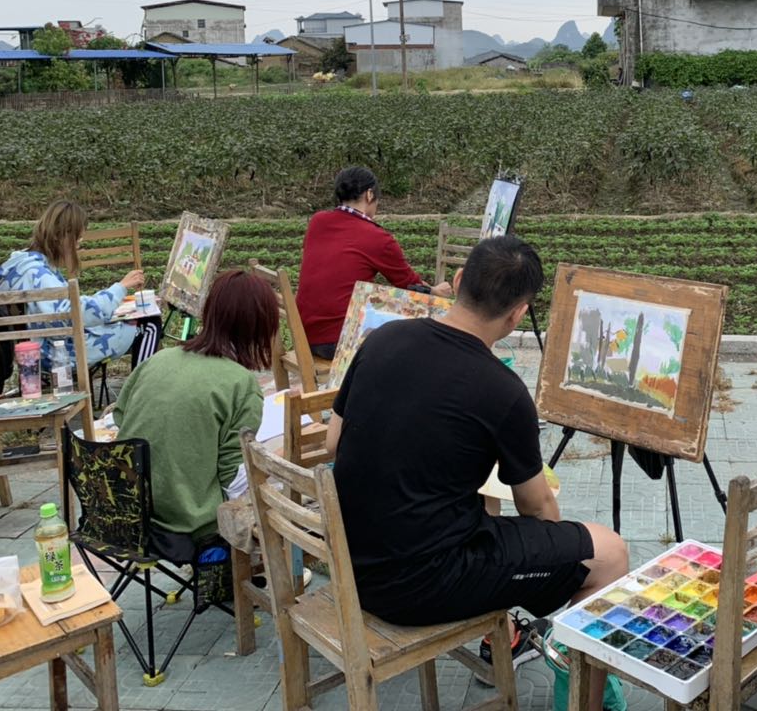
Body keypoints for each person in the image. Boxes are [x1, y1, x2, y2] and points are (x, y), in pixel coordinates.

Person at [326, 235, 628, 694]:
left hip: (351, 564)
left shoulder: (383, 338)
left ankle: (511, 634)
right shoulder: (502, 391)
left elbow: (333, 443)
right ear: (518, 314)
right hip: (417, 587)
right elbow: (536, 508)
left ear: (459, 279)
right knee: (609, 553)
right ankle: (582, 695)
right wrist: (552, 555)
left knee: (485, 513)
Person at [114, 269, 275, 559]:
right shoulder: (241, 383)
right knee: (275, 490)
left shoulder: (159, 359)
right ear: (259, 327)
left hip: (126, 509)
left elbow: (120, 418)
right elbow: (234, 476)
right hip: (189, 522)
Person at [296, 167, 452, 358]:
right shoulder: (377, 237)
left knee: (377, 300)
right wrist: (436, 292)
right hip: (341, 342)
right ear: (369, 194)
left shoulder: (317, 221)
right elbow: (409, 284)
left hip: (304, 336)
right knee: (425, 312)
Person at [0, 199, 158, 370]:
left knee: (131, 320)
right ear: (60, 235)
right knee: (149, 323)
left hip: (44, 346)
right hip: (58, 353)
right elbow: (71, 314)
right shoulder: (38, 274)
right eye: (77, 238)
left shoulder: (22, 264)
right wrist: (120, 288)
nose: (79, 244)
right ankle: (141, 385)